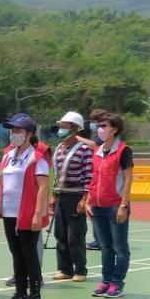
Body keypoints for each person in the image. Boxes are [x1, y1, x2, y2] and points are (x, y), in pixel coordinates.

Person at [0, 113, 49, 299]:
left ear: (29, 134)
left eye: (18, 131)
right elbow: (1, 184)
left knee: (29, 254)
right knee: (16, 253)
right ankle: (20, 292)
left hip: (26, 214)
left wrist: (37, 213)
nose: (13, 134)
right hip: (9, 212)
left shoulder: (37, 158)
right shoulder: (8, 156)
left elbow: (42, 187)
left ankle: (35, 294)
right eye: (12, 130)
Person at [86, 113, 134, 299]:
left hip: (116, 205)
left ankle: (117, 282)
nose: (100, 129)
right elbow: (93, 178)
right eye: (99, 126)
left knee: (120, 247)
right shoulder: (96, 152)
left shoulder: (123, 151)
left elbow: (128, 179)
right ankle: (105, 280)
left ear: (114, 129)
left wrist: (123, 205)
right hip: (98, 206)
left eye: (104, 126)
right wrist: (89, 200)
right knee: (105, 247)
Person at [50, 112, 93, 282]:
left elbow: (89, 176)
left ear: (74, 129)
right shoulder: (59, 149)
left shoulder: (83, 150)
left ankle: (80, 269)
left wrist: (85, 199)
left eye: (65, 126)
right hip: (61, 195)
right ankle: (64, 268)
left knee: (75, 235)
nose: (61, 129)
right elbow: (56, 174)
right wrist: (53, 195)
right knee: (60, 234)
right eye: (61, 126)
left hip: (76, 196)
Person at [85, 108, 110, 251]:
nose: (94, 125)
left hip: (102, 176)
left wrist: (75, 136)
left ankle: (101, 239)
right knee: (94, 211)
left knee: (98, 211)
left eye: (96, 122)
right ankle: (98, 238)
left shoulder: (103, 134)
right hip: (95, 173)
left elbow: (93, 145)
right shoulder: (98, 134)